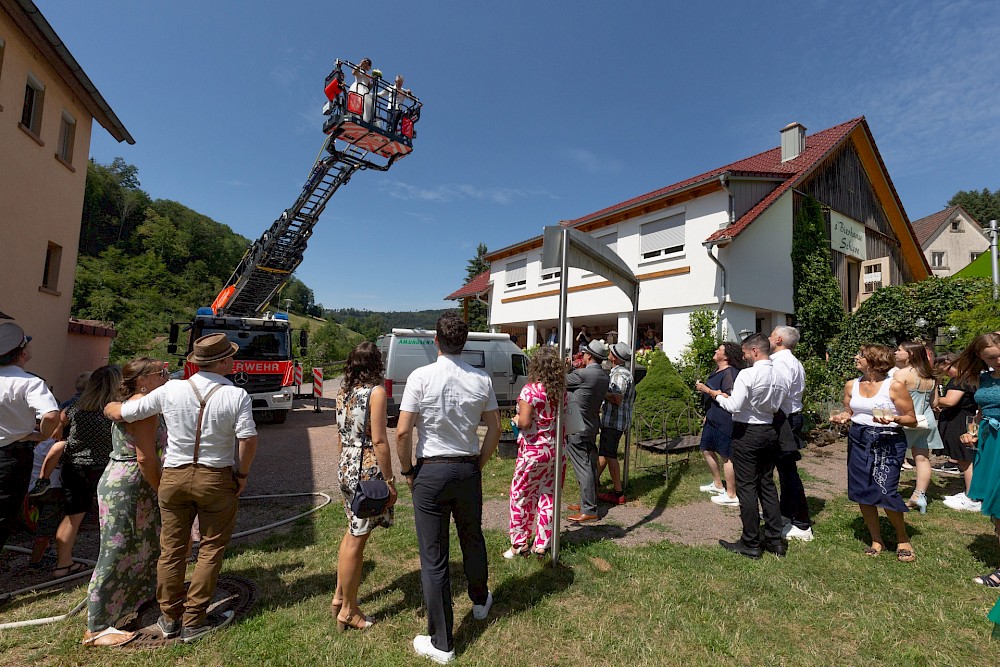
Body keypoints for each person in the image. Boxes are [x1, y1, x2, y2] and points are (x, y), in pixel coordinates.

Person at [105, 333, 257, 643]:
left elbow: (128, 412)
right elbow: (248, 439)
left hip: (174, 476)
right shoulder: (237, 395)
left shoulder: (171, 388)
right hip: (216, 477)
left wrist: (108, 407)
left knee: (171, 550)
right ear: (224, 361)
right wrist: (241, 475)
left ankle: (169, 617)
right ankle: (194, 620)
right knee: (211, 549)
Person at [395, 312, 501, 664]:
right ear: (464, 342)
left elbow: (403, 431)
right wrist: (478, 464)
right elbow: (496, 429)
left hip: (432, 470)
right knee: (472, 536)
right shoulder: (481, 378)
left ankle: (442, 642)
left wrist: (408, 470)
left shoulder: (421, 376)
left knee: (434, 557)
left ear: (436, 341)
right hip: (467, 467)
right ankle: (480, 599)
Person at [82, 358, 168, 647]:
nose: (167, 375)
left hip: (124, 480)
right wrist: (161, 491)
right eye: (161, 372)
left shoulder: (132, 402)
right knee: (116, 549)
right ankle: (96, 627)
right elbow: (145, 458)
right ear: (144, 380)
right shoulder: (143, 408)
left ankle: (135, 598)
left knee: (142, 543)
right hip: (131, 482)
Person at [831, 345, 918, 561]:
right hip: (859, 438)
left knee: (885, 489)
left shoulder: (894, 386)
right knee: (863, 489)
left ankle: (901, 536)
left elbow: (912, 419)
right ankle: (876, 539)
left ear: (873, 361)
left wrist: (895, 418)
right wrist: (843, 416)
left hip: (887, 439)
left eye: (861, 355)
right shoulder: (852, 384)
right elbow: (850, 411)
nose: (856, 357)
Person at [332, 342, 397, 631]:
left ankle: (339, 598)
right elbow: (380, 440)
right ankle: (348, 609)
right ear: (376, 364)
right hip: (365, 468)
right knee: (357, 539)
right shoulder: (376, 393)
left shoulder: (343, 392)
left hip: (346, 463)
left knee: (352, 532)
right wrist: (390, 481)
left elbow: (340, 434)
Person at [705, 334, 788, 559]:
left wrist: (717, 395)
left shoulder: (748, 374)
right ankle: (774, 539)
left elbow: (733, 405)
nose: (742, 356)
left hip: (747, 431)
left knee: (747, 486)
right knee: (767, 484)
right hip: (769, 430)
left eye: (744, 352)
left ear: (754, 351)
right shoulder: (781, 375)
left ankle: (750, 541)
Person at [53, 365, 122, 579]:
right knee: (111, 517)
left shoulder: (74, 407)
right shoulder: (114, 409)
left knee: (72, 516)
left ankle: (62, 564)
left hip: (74, 466)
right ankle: (111, 564)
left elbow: (57, 434)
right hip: (106, 468)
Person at [0, 322, 60, 563]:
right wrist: (41, 436)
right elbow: (51, 415)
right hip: (12, 456)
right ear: (23, 352)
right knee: (3, 516)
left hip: (11, 454)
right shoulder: (30, 383)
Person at [506, 345, 567, 558]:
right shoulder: (560, 391)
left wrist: (515, 419)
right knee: (548, 495)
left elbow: (523, 421)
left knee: (521, 495)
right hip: (556, 450)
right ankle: (542, 543)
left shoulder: (530, 390)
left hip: (533, 451)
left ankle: (519, 543)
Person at [955, 334, 1000, 613]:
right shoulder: (985, 378)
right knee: (996, 508)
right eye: (991, 357)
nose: (998, 360)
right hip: (989, 443)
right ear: (981, 358)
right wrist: (972, 432)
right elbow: (983, 411)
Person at [769, 326, 814, 541]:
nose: (768, 337)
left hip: (784, 419)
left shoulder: (782, 362)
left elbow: (779, 392)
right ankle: (786, 513)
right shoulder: (789, 360)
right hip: (789, 416)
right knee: (785, 469)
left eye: (770, 334)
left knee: (788, 472)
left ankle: (802, 523)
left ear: (778, 339)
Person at [894, 340, 943, 514]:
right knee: (922, 458)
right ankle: (919, 495)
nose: (895, 353)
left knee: (894, 456)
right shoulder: (929, 376)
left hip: (906, 420)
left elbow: (892, 398)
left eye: (899, 350)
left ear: (910, 354)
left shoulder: (901, 374)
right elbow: (935, 402)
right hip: (926, 420)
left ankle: (888, 492)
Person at [565, 340, 611, 523]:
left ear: (589, 356)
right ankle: (588, 502)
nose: (582, 356)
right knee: (590, 465)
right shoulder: (604, 376)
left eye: (584, 354)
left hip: (578, 427)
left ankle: (589, 508)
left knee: (583, 467)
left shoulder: (582, 374)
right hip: (592, 425)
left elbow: (561, 381)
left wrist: (567, 368)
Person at [695, 342, 746, 506]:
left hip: (724, 419)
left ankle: (731, 495)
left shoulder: (730, 372)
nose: (716, 350)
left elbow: (729, 396)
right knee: (707, 449)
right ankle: (718, 484)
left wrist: (706, 390)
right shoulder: (718, 370)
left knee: (727, 455)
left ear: (726, 356)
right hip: (712, 416)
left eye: (720, 349)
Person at [935, 354, 980, 511]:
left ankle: (972, 497)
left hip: (960, 421)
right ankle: (970, 492)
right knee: (965, 459)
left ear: (949, 363)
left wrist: (933, 400)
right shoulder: (969, 378)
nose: (944, 373)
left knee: (965, 459)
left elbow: (950, 401)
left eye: (944, 369)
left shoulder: (960, 380)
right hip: (965, 419)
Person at [596, 342, 635, 505]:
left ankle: (618, 492)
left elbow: (617, 398)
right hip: (615, 421)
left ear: (616, 357)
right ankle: (592, 481)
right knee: (605, 452)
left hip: (614, 421)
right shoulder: (622, 372)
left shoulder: (619, 375)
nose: (609, 352)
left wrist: (601, 393)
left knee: (609, 454)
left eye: (611, 351)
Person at [26, 436, 64, 570]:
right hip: (51, 490)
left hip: (33, 489)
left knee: (39, 525)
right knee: (46, 529)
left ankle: (44, 552)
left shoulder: (40, 442)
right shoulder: (58, 445)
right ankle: (35, 562)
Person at [348, 57, 374, 123]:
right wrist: (360, 64)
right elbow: (353, 72)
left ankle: (364, 119)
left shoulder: (368, 75)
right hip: (358, 88)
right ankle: (356, 116)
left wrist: (374, 82)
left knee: (366, 104)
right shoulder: (358, 69)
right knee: (357, 103)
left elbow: (369, 87)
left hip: (365, 90)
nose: (368, 66)